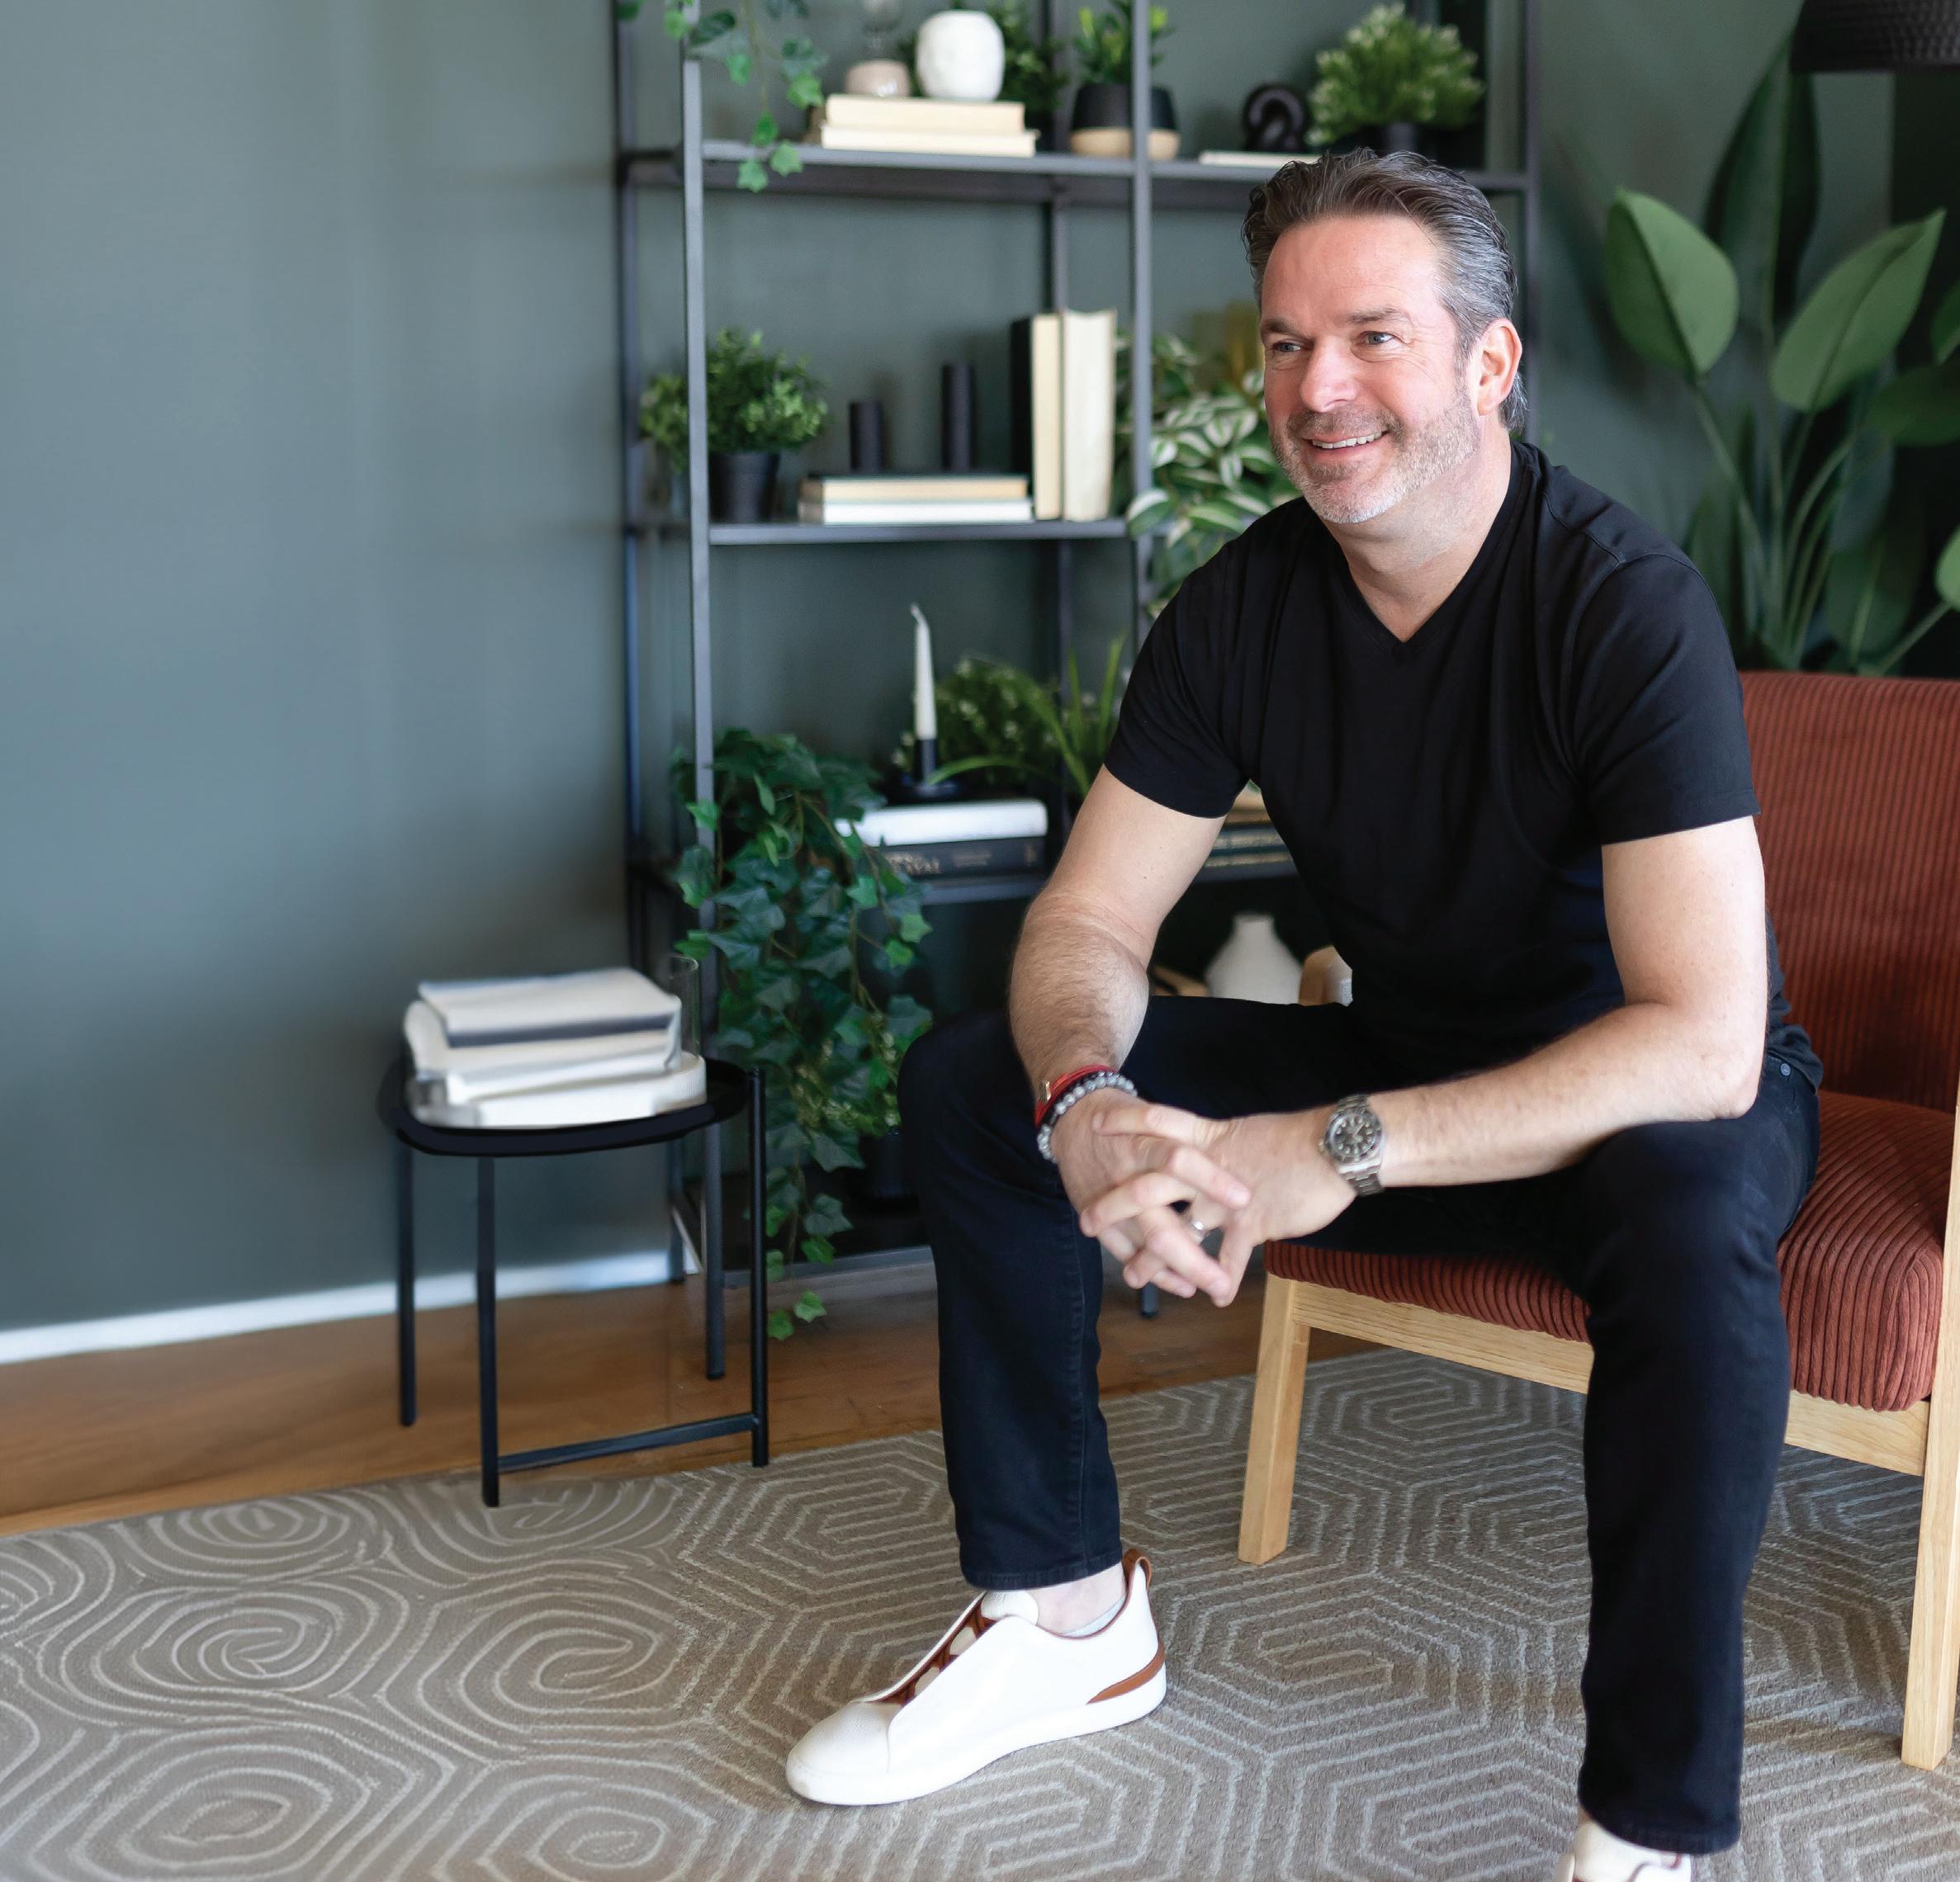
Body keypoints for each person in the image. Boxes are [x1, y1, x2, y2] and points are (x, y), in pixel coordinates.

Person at [784, 149, 1820, 1882]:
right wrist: (1086, 1101)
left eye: (1371, 337)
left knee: (1684, 1194)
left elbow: (1700, 1044)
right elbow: (1087, 921)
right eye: (1282, 344)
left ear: (1489, 363)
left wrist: (1336, 1147)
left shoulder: (1616, 605)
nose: (1316, 389)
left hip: (1625, 1106)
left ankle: (1648, 1817)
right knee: (977, 1080)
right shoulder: (1240, 609)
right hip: (1404, 1058)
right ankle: (1061, 1619)